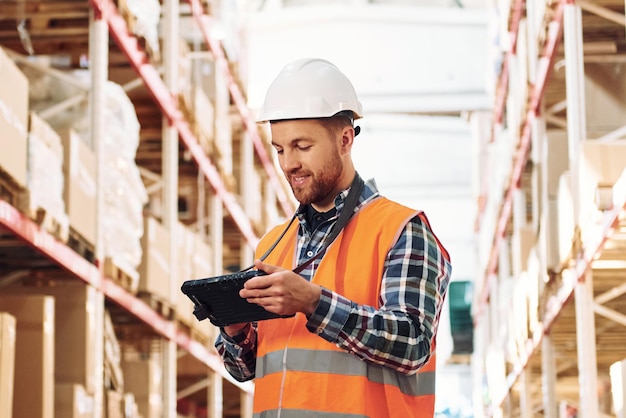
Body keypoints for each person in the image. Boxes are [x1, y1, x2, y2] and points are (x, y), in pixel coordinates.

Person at [214, 57, 452, 418]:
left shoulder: (401, 230)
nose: (288, 163)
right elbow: (245, 370)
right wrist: (236, 331)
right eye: (280, 149)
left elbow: (413, 343)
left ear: (345, 140)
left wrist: (314, 303)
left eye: (302, 146)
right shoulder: (273, 245)